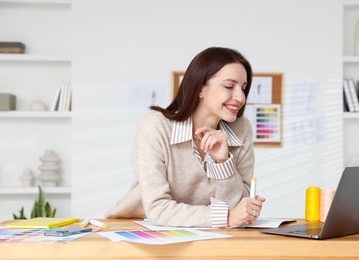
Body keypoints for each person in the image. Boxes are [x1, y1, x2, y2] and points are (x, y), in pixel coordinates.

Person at [106, 47, 266, 228]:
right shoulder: (156, 127)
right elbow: (158, 209)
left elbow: (237, 210)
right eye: (229, 86)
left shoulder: (241, 129)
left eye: (243, 88)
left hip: (211, 234)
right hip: (141, 228)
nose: (240, 97)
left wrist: (223, 163)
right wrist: (226, 217)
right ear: (200, 89)